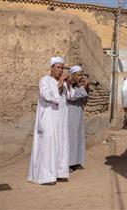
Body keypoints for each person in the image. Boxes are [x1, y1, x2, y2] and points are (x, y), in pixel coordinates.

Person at [28, 56, 70, 185]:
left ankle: (60, 172)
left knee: (61, 144)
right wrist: (60, 83)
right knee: (48, 145)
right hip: (48, 118)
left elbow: (69, 97)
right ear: (51, 68)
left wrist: (67, 84)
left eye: (62, 68)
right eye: (58, 68)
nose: (60, 70)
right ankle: (46, 177)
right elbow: (47, 96)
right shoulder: (44, 80)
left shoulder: (62, 84)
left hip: (60, 119)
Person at [67, 65, 89, 172]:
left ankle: (77, 161)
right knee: (71, 138)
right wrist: (82, 88)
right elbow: (72, 96)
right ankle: (69, 163)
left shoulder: (78, 86)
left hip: (79, 113)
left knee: (79, 137)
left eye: (81, 75)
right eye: (79, 75)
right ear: (73, 75)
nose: (80, 77)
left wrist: (86, 88)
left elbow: (84, 99)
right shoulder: (68, 86)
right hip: (70, 114)